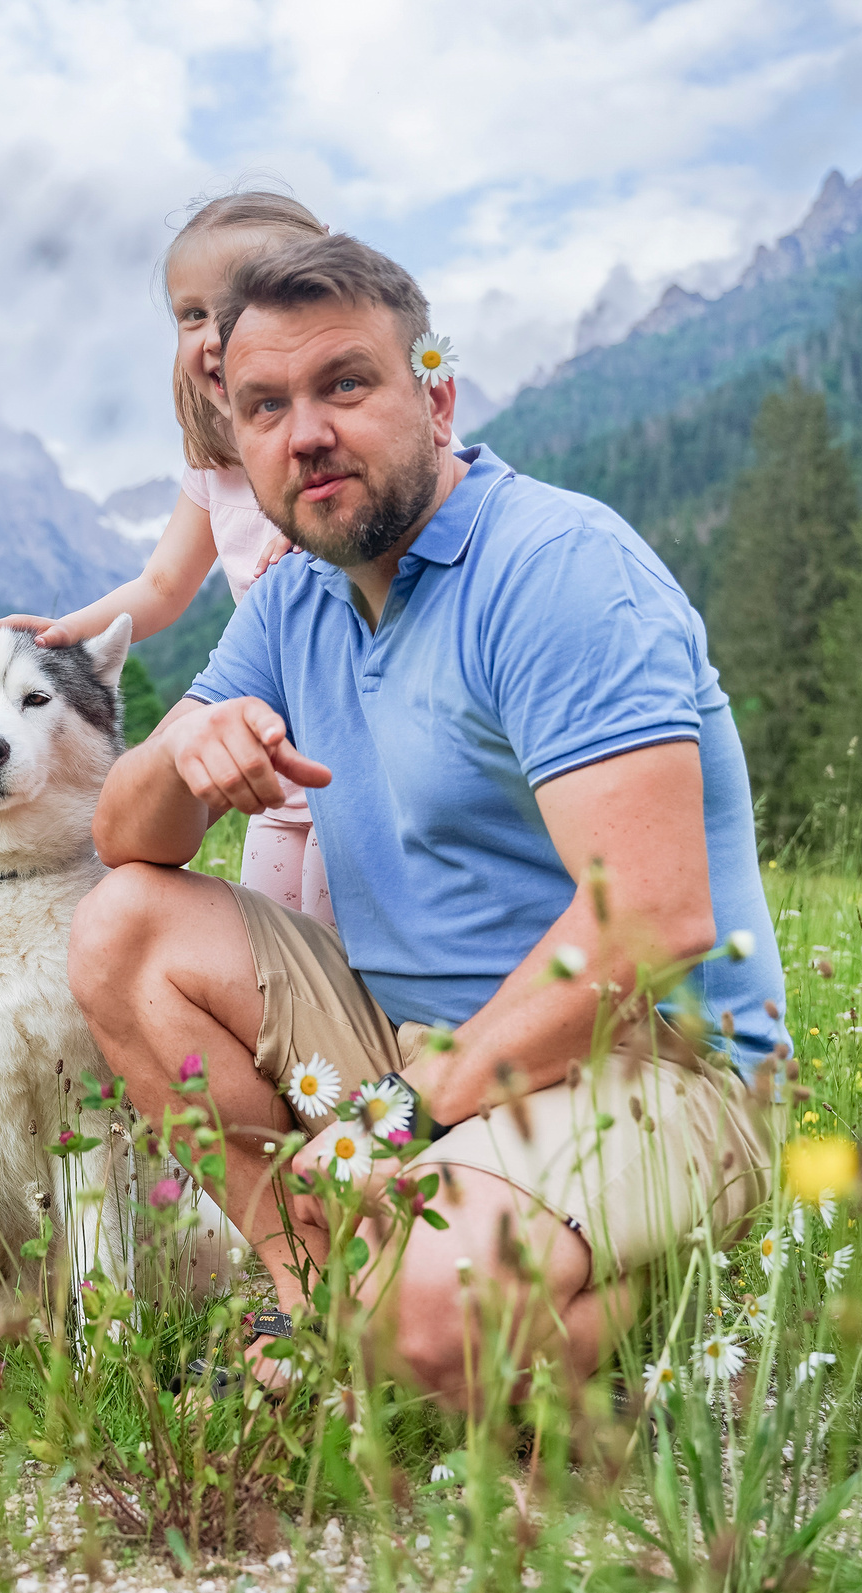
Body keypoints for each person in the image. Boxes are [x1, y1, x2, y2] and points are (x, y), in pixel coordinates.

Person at [68, 234, 788, 1406]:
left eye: (345, 385)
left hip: (652, 1064)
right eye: (264, 407)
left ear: (435, 397)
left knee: (418, 1316)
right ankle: (312, 1295)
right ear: (236, 442)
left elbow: (651, 920)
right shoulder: (297, 596)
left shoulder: (558, 569)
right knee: (122, 926)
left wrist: (397, 1123)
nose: (305, 433)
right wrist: (173, 754)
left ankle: (651, 1299)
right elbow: (123, 842)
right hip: (410, 1043)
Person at [0, 191, 333, 920]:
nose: (208, 334)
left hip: (345, 774)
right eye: (190, 314)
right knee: (280, 941)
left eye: (235, 307)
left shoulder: (342, 451)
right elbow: (163, 584)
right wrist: (62, 636)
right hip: (267, 773)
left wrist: (322, 529)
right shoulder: (216, 469)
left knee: (352, 943)